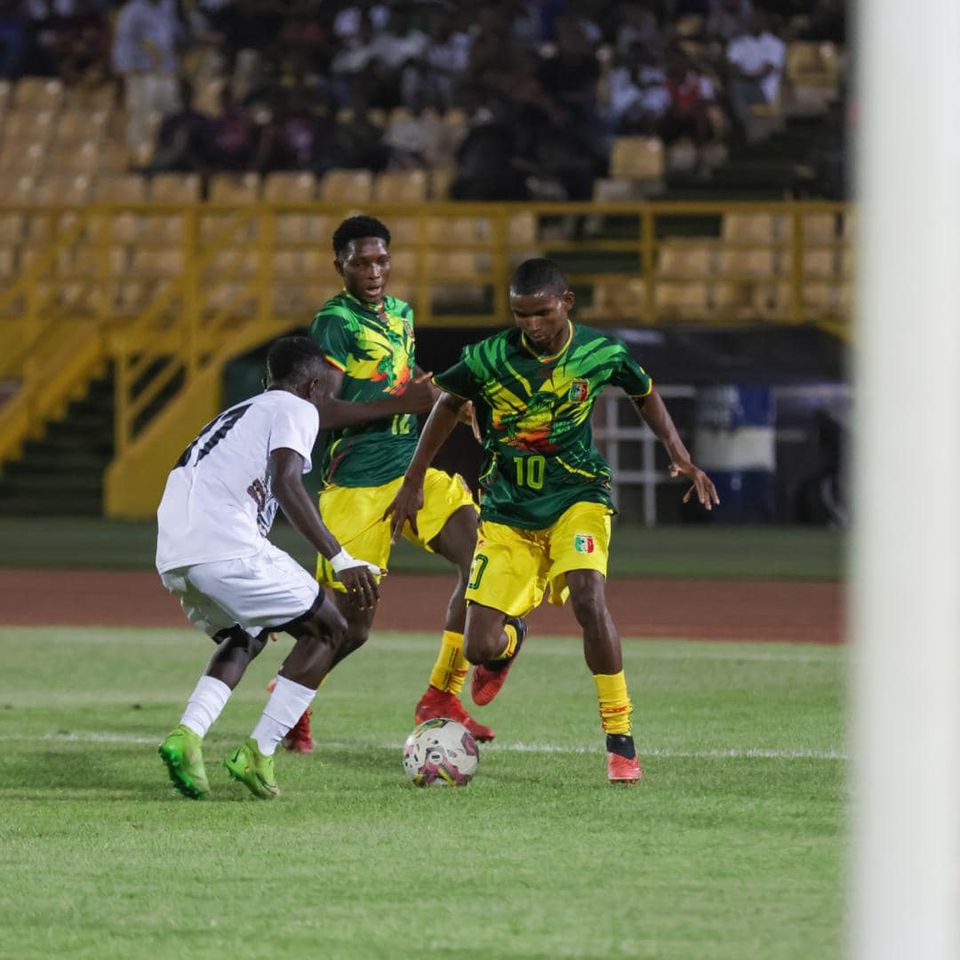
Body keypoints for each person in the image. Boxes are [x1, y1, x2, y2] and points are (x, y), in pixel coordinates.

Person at [384, 258, 720, 784]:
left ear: (566, 302)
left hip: (577, 496)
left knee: (589, 596)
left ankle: (620, 741)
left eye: (541, 313)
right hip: (507, 510)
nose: (532, 326)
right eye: (521, 315)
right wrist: (412, 479)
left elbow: (644, 391)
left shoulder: (599, 352)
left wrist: (678, 453)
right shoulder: (489, 358)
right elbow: (447, 403)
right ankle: (512, 637)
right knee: (478, 647)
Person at [156, 335, 422, 800]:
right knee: (332, 629)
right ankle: (258, 753)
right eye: (328, 393)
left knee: (247, 634)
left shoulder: (237, 413)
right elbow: (285, 482)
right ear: (315, 386)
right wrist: (339, 558)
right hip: (225, 546)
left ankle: (188, 735)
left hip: (175, 554)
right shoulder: (296, 408)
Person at [281, 214, 492, 752]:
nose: (374, 271)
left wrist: (446, 394)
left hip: (410, 471)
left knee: (484, 560)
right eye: (361, 262)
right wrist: (406, 403)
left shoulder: (400, 313)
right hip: (355, 485)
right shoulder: (334, 323)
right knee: (350, 629)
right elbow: (319, 410)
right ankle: (292, 701)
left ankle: (442, 695)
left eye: (381, 260)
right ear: (340, 267)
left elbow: (401, 375)